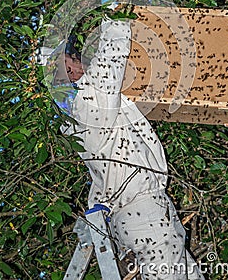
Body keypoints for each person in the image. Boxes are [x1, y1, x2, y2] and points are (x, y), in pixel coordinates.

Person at [58, 18, 204, 280]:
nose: (78, 60)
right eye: (71, 58)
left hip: (139, 219)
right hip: (145, 217)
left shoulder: (76, 121)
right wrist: (114, 13)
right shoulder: (89, 103)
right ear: (67, 69)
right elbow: (111, 59)